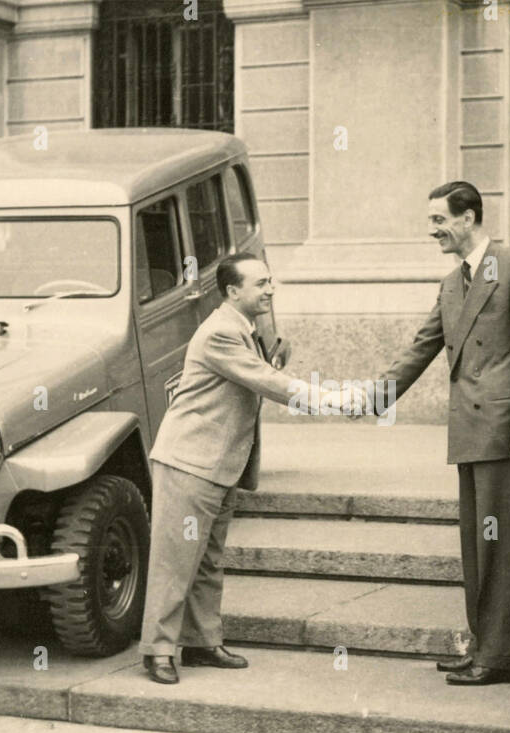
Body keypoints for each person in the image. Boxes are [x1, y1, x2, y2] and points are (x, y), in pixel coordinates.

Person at [140, 252, 364, 684]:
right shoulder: (222, 333)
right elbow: (269, 383)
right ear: (232, 292)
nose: (270, 289)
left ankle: (203, 643)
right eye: (260, 283)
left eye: (270, 281)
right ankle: (157, 651)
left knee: (207, 560)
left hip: (214, 465)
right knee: (176, 560)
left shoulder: (242, 329)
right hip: (191, 463)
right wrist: (336, 398)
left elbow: (263, 373)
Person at [374, 181, 510, 685]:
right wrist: (370, 397)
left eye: (439, 220)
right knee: (476, 543)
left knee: (498, 544)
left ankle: (498, 657)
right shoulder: (452, 283)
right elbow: (420, 347)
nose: (432, 230)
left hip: (501, 429)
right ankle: (484, 646)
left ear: (469, 217)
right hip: (469, 430)